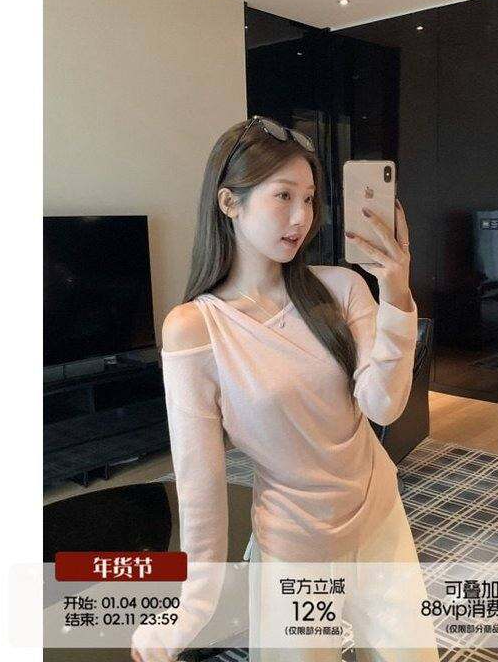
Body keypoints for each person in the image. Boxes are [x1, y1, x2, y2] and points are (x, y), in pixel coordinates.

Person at [131, 116, 439, 662]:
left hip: (379, 518)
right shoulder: (195, 330)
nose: (302, 217)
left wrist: (396, 293)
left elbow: (384, 405)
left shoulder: (341, 288)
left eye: (310, 198)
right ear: (230, 202)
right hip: (295, 544)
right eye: (283, 196)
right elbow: (201, 480)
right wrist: (193, 606)